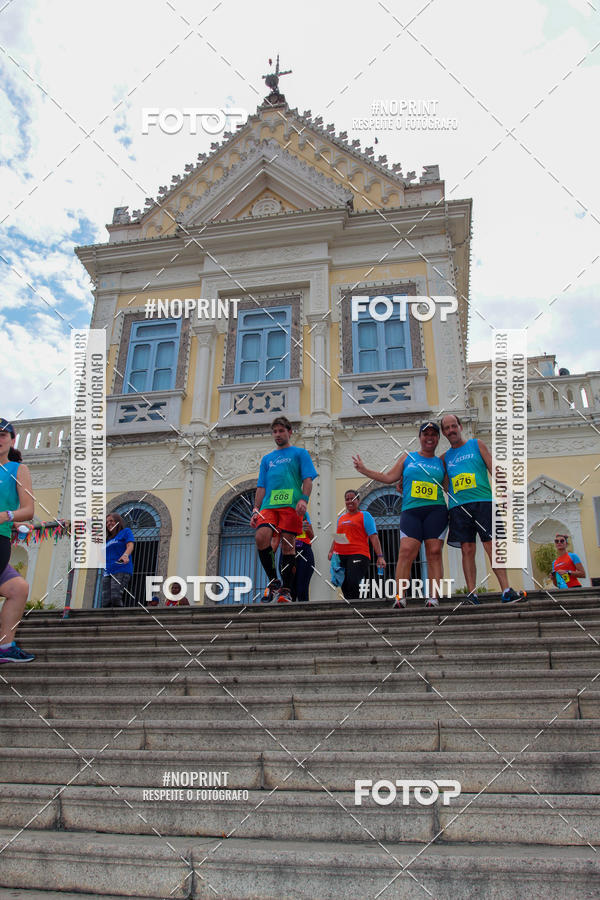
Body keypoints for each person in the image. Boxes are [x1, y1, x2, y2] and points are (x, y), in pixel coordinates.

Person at [353, 423, 448, 608]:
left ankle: (433, 597)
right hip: (411, 511)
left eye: (434, 435)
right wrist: (364, 470)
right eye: (425, 434)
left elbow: (448, 487)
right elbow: (389, 477)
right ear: (419, 437)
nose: (429, 438)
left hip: (436, 511)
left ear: (438, 438)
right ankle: (400, 597)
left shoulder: (441, 462)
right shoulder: (408, 458)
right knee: (406, 552)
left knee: (434, 553)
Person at [440, 414, 525, 604]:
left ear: (460, 427)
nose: (451, 430)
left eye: (454, 426)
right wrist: (402, 482)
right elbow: (435, 476)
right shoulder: (445, 458)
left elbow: (493, 467)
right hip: (458, 507)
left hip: (484, 502)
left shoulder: (476, 444)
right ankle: (472, 594)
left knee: (492, 546)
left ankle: (506, 590)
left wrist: (506, 491)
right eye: (447, 428)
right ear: (444, 433)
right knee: (467, 549)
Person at [251, 417, 318, 604]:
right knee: (261, 537)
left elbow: (308, 479)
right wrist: (256, 509)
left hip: (291, 505)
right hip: (269, 505)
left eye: (281, 431)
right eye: (275, 431)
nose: (278, 434)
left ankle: (286, 590)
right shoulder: (267, 459)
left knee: (288, 545)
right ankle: (274, 581)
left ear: (290, 432)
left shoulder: (300, 453)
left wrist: (304, 500)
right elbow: (261, 486)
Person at [0, 418, 35, 663]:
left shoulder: (18, 470)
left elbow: (28, 509)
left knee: (17, 588)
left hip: (1, 537)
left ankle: (5, 647)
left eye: (3, 435)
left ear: (12, 440)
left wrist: (6, 515)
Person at [327, 490, 385, 600]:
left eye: (352, 499)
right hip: (341, 556)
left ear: (358, 500)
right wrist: (331, 551)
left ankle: (357, 607)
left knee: (352, 581)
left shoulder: (365, 515)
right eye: (347, 499)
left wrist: (380, 556)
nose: (349, 501)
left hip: (359, 554)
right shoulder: (341, 518)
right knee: (344, 584)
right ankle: (351, 608)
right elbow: (338, 536)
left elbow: (373, 536)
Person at [103, 513, 135, 607]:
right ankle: (106, 620)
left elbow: (130, 545)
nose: (109, 523)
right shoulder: (107, 539)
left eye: (111, 521)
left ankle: (118, 619)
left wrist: (125, 555)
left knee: (115, 596)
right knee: (105, 600)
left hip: (121, 568)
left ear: (118, 522)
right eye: (107, 522)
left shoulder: (125, 532)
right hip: (107, 571)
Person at [294, 513, 315, 602]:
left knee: (302, 588)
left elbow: (312, 537)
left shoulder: (304, 514)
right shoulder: (284, 511)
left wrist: (307, 529)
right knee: (289, 590)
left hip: (304, 550)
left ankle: (305, 614)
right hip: (288, 552)